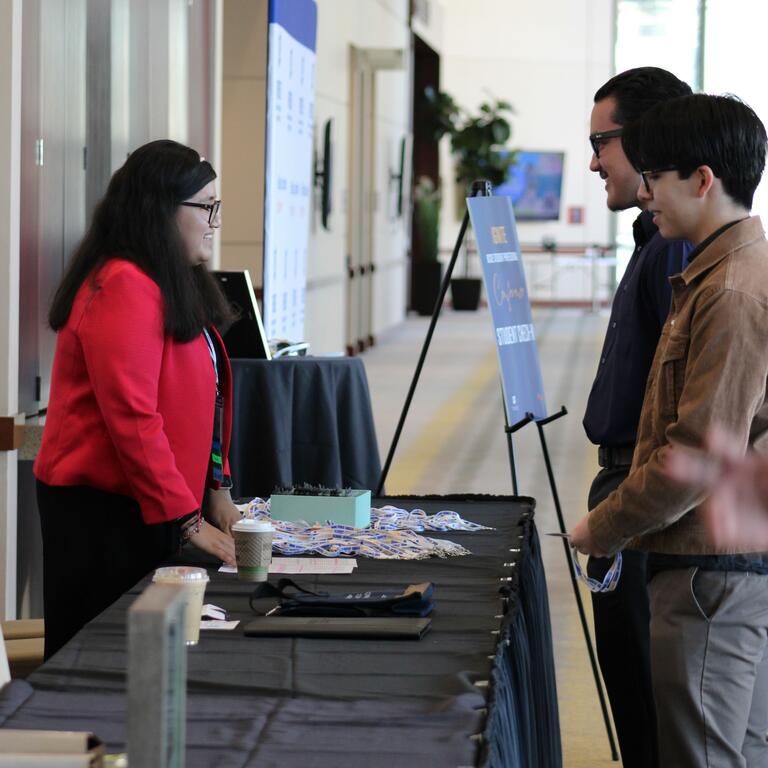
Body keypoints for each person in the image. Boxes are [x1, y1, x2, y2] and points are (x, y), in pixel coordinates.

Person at [571, 93, 768, 767]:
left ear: (704, 180)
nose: (645, 193)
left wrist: (604, 525)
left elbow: (698, 455)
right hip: (717, 566)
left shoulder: (732, 291)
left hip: (713, 574)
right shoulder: (714, 273)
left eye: (657, 177)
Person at [34, 139, 239, 660]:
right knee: (104, 663)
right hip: (105, 514)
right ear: (161, 209)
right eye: (206, 207)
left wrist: (215, 488)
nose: (215, 221)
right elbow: (133, 418)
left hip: (151, 505)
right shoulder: (124, 284)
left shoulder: (170, 281)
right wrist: (186, 520)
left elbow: (205, 403)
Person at [582, 66, 692, 768]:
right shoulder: (651, 244)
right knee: (632, 701)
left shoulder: (676, 251)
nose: (594, 161)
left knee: (650, 711)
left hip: (644, 503)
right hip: (628, 490)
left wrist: (621, 517)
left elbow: (693, 411)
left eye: (603, 142)